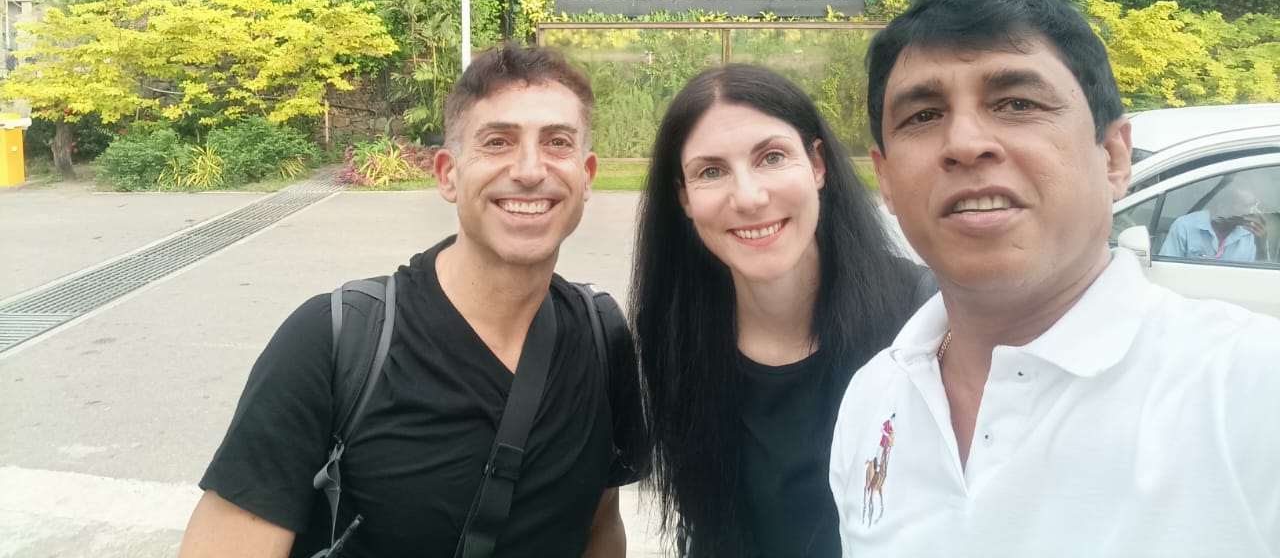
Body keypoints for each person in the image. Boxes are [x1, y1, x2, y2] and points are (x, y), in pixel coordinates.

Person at [829, 0, 1280, 557]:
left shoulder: (1250, 391)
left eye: (1017, 104)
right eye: (923, 115)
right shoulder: (873, 398)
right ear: (886, 180)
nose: (964, 143)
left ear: (1114, 157)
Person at [178, 44, 642, 558]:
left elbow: (600, 526)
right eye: (497, 142)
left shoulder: (602, 338)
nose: (531, 170)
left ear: (586, 175)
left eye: (557, 142)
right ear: (447, 174)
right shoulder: (334, 342)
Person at [630, 64, 926, 558]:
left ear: (817, 164)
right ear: (684, 197)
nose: (749, 197)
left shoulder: (922, 319)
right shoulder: (671, 336)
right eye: (711, 171)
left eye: (771, 157)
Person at [1160, 183, 1265, 261]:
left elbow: (1251, 278)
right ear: (1223, 207)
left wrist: (1261, 245)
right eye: (1246, 206)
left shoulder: (1247, 235)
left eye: (1254, 204)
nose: (1253, 212)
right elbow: (1167, 271)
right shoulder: (1184, 226)